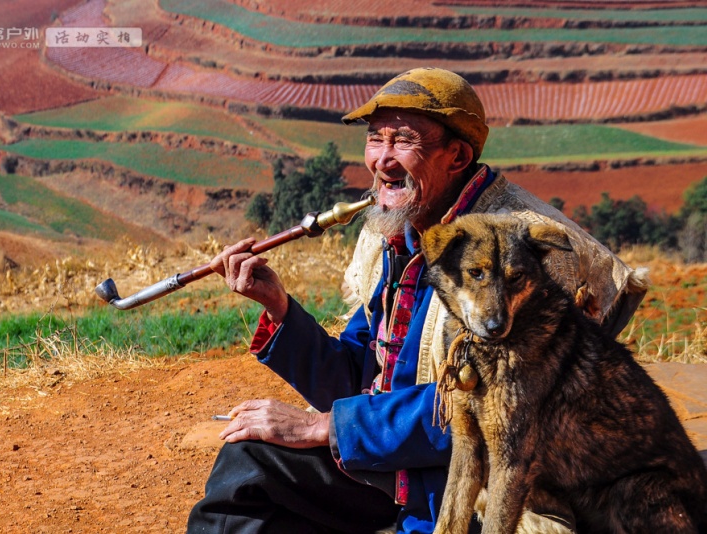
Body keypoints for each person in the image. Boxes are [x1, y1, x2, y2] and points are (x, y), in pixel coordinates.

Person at [187, 68, 647, 533]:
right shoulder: (395, 235)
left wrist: (323, 428)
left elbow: (488, 409)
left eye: (403, 140)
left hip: (480, 486)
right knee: (248, 468)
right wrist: (280, 308)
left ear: (457, 156)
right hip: (395, 463)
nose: (381, 159)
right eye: (375, 139)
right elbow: (358, 376)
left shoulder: (521, 251)